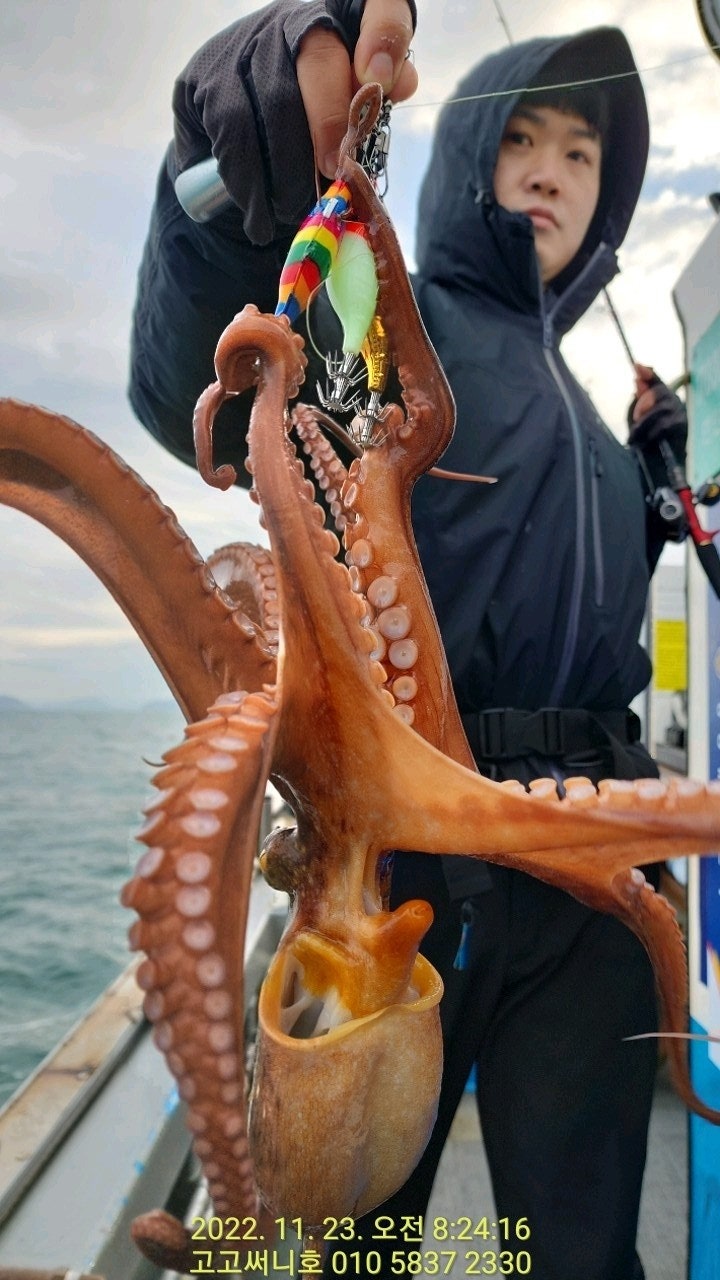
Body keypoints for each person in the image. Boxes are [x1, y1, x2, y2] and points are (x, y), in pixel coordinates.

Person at [128, 4, 689, 1278]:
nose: (551, 170)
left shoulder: (596, 418)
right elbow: (197, 380)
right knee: (358, 1240)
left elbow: (584, 606)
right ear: (474, 156)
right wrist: (224, 168)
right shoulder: (387, 325)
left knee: (582, 1245)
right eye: (524, 138)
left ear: (606, 198)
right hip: (413, 838)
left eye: (583, 154)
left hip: (591, 855)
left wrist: (655, 487)